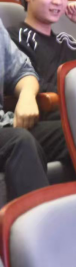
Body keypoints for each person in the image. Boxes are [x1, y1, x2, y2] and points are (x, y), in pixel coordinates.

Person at [0, 18, 50, 202]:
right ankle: (44, 220)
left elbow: (22, 71)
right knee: (20, 141)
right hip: (11, 136)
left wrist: (27, 96)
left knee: (73, 135)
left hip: (4, 124)